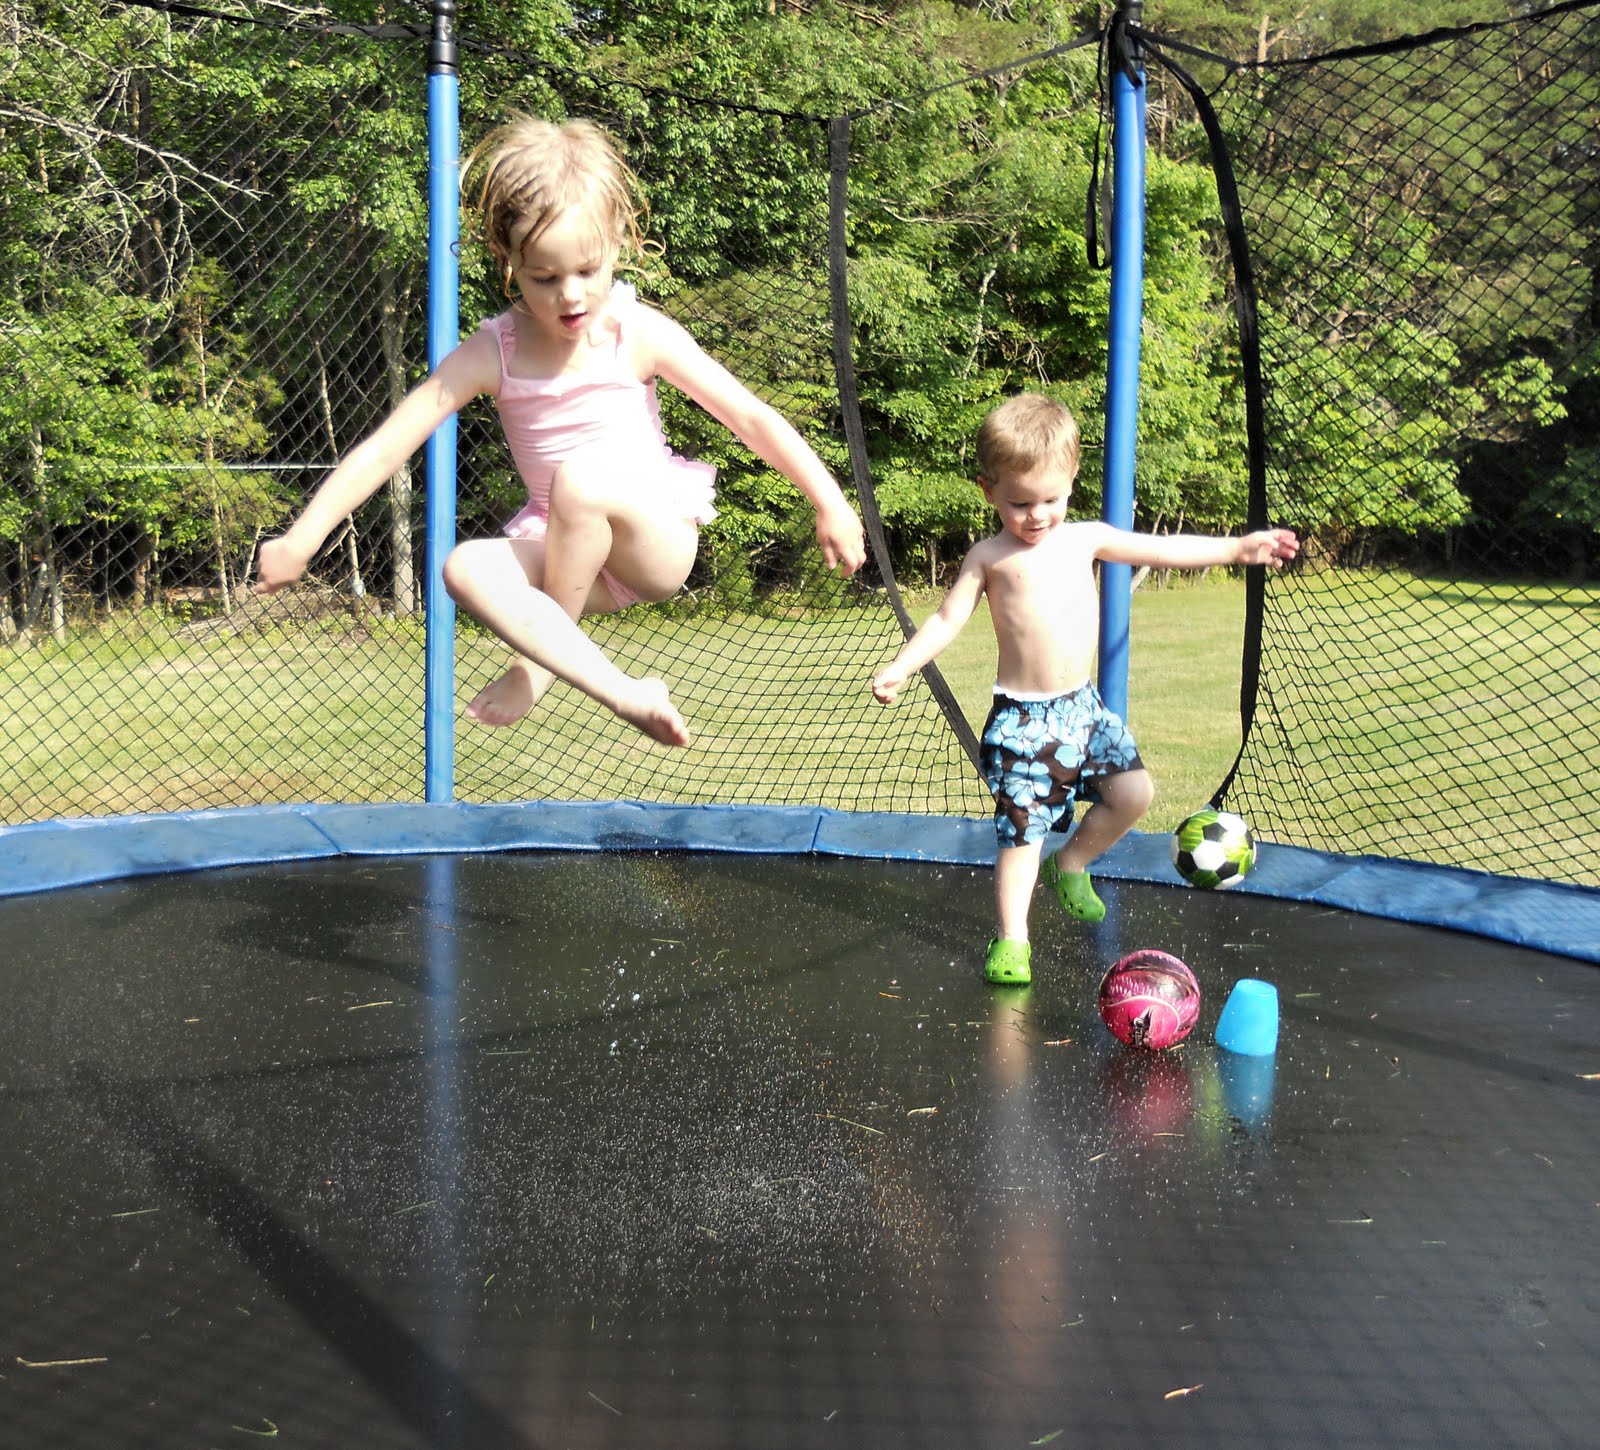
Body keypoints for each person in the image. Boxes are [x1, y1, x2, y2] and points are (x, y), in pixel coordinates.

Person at [256, 115, 865, 746]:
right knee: (465, 567)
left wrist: (830, 502)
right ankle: (622, 691)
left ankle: (534, 666)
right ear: (509, 261)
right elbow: (387, 447)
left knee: (580, 479)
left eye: (587, 270)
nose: (570, 295)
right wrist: (303, 537)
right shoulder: (493, 353)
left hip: (649, 539)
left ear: (617, 244)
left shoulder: (638, 333)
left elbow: (750, 416)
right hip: (564, 549)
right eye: (545, 278)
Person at [871, 393, 1297, 986]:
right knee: (1022, 833)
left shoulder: (1084, 539)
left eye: (1051, 498)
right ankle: (1013, 939)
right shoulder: (988, 556)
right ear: (987, 489)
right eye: (1020, 503)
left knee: (1134, 795)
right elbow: (947, 620)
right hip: (1023, 720)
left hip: (1085, 710)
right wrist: (902, 665)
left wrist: (1237, 548)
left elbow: (1165, 550)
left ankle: (1072, 863)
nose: (1038, 515)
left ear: (1071, 479)